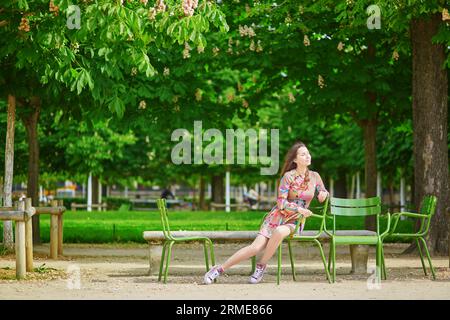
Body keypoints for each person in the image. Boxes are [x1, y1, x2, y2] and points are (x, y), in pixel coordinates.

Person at [204, 141, 329, 284]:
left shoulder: (314, 176)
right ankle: (218, 269)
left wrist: (324, 193)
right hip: (277, 217)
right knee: (255, 247)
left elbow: (322, 191)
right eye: (303, 154)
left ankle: (261, 265)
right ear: (295, 160)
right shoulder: (288, 177)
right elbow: (281, 203)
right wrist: (298, 208)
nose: (308, 156)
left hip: (295, 221)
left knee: (280, 232)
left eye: (308, 153)